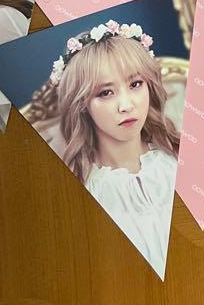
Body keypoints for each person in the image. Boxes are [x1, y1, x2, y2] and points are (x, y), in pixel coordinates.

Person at [50, 19, 179, 274]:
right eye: (105, 93)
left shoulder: (179, 160)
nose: (126, 105)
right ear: (82, 104)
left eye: (135, 84)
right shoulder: (82, 196)